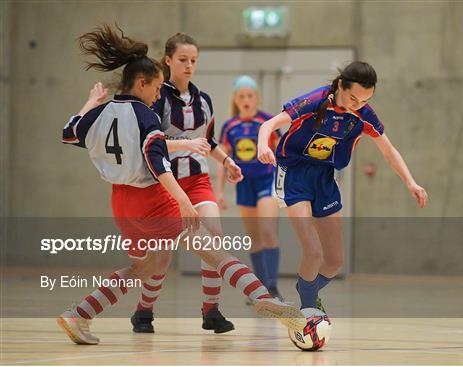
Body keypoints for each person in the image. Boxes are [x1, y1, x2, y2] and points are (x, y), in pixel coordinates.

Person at [59, 24, 304, 345]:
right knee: (215, 250)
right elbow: (157, 161)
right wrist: (184, 202)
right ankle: (264, 298)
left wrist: (91, 101)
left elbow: (69, 132)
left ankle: (80, 314)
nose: (159, 94)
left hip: (121, 202)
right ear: (142, 83)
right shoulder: (146, 116)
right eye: (157, 88)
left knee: (147, 267)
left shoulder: (102, 113)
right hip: (154, 198)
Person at [258, 61, 428, 312]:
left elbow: (388, 151)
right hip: (293, 172)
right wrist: (263, 145)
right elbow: (269, 124)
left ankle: (307, 289)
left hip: (324, 176)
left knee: (335, 261)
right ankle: (308, 313)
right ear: (340, 85)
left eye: (364, 100)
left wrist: (410, 182)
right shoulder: (316, 101)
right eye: (353, 98)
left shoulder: (362, 114)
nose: (357, 104)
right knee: (313, 252)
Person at [129, 33, 242, 334]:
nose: (189, 65)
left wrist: (227, 162)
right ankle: (144, 311)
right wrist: (188, 144)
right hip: (166, 184)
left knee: (215, 238)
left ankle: (211, 311)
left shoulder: (203, 99)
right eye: (183, 60)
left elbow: (209, 140)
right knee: (161, 257)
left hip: (198, 179)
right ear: (167, 60)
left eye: (193, 60)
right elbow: (151, 143)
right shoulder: (157, 97)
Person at [217, 75, 283, 302]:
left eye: (250, 95)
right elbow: (223, 159)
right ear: (236, 99)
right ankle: (260, 289)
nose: (246, 100)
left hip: (266, 181)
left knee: (267, 230)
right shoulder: (230, 126)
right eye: (241, 96)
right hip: (244, 185)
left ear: (257, 98)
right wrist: (218, 191)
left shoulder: (267, 122)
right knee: (254, 237)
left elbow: (281, 154)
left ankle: (272, 287)